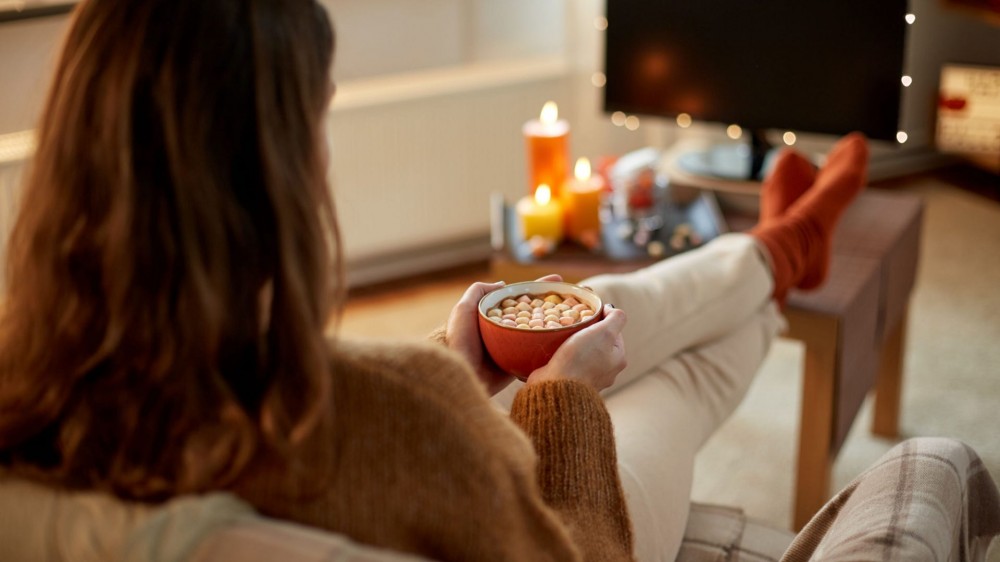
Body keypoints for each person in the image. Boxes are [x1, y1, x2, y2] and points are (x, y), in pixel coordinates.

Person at [0, 1, 996, 561]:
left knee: (621, 312)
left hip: (421, 413)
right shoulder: (399, 417)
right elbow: (575, 551)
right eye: (315, 123)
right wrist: (560, 396)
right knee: (679, 371)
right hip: (586, 528)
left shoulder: (30, 394)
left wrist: (448, 368)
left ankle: (780, 249)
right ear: (267, 176)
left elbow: (354, 417)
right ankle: (786, 250)